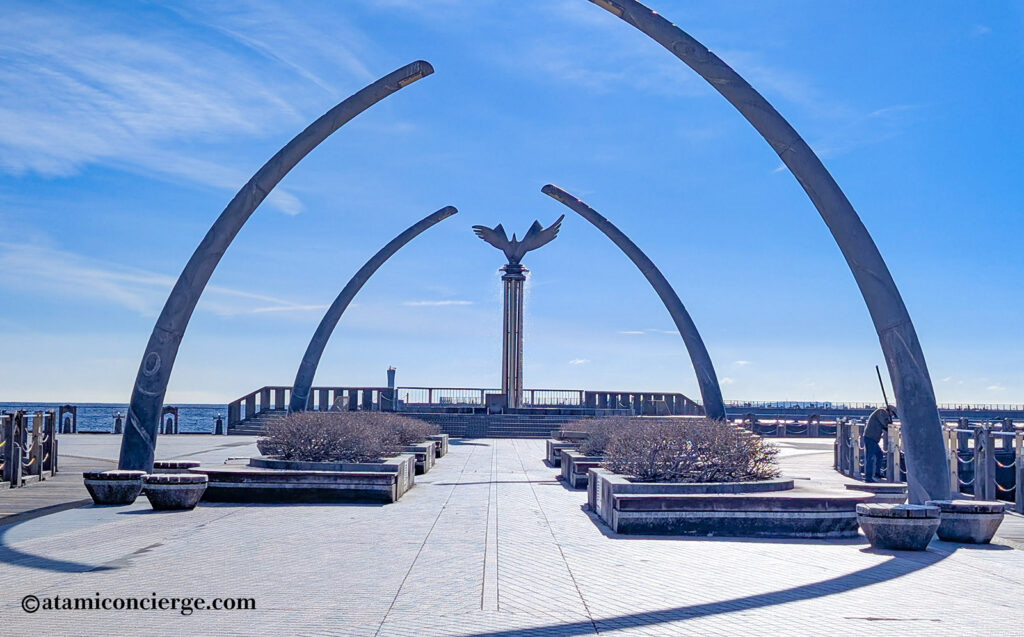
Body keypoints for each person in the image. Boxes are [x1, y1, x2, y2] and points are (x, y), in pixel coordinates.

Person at [863, 405, 896, 482]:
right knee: (870, 458)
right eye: (892, 414)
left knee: (879, 455)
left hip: (873, 439)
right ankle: (868, 477)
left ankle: (877, 472)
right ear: (890, 411)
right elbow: (885, 424)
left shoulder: (883, 413)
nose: (892, 415)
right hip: (870, 438)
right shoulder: (881, 412)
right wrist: (890, 423)